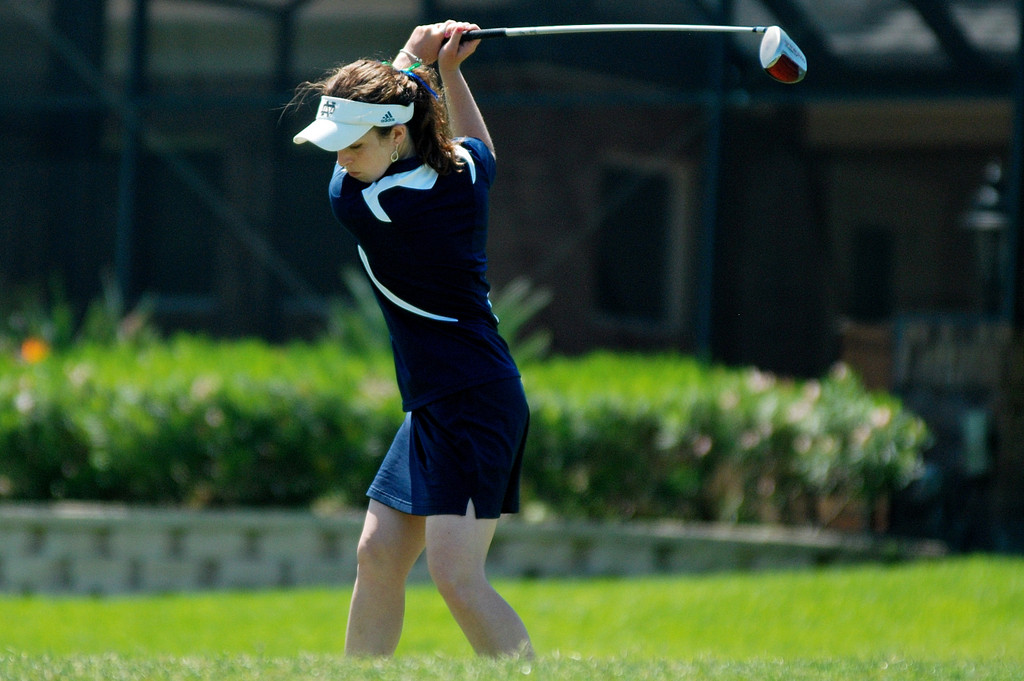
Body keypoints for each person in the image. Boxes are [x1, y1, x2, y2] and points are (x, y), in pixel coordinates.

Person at [291, 21, 533, 658]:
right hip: (436, 403)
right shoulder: (458, 176)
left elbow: (355, 181)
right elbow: (481, 148)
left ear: (398, 134)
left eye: (352, 145)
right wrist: (449, 70)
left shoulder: (380, 205)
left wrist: (414, 56)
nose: (341, 160)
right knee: (376, 554)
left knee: (455, 576)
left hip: (476, 401)